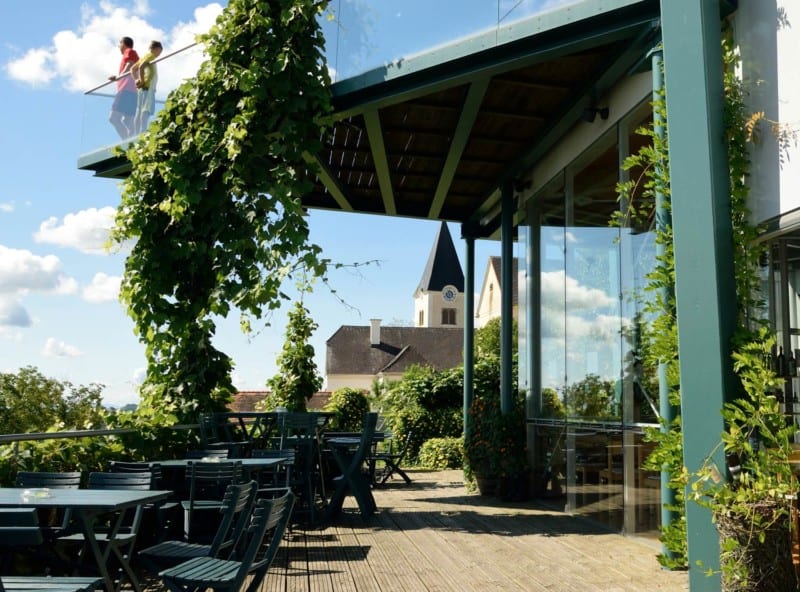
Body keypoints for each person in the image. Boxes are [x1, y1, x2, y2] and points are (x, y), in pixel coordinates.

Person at [108, 37, 139, 139]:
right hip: (132, 92)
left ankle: (126, 142)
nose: (119, 46)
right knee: (128, 120)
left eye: (119, 43)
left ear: (123, 43)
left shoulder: (129, 51)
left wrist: (118, 77)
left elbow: (130, 64)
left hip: (126, 90)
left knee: (113, 118)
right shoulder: (131, 53)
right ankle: (132, 142)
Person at [131, 41, 164, 135]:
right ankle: (143, 132)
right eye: (160, 52)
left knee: (139, 110)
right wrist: (141, 80)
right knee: (145, 111)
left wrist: (136, 80)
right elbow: (141, 67)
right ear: (156, 49)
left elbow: (132, 69)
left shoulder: (143, 57)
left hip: (142, 89)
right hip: (148, 88)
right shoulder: (151, 56)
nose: (159, 55)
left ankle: (136, 134)